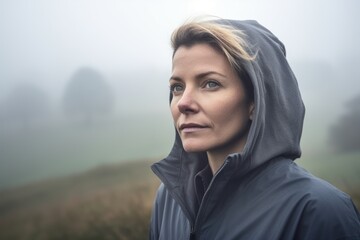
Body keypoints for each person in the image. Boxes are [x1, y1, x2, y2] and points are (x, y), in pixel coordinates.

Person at [149, 18, 360, 240]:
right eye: (177, 87)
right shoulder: (169, 201)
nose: (183, 102)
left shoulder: (318, 211)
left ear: (256, 101)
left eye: (210, 83)